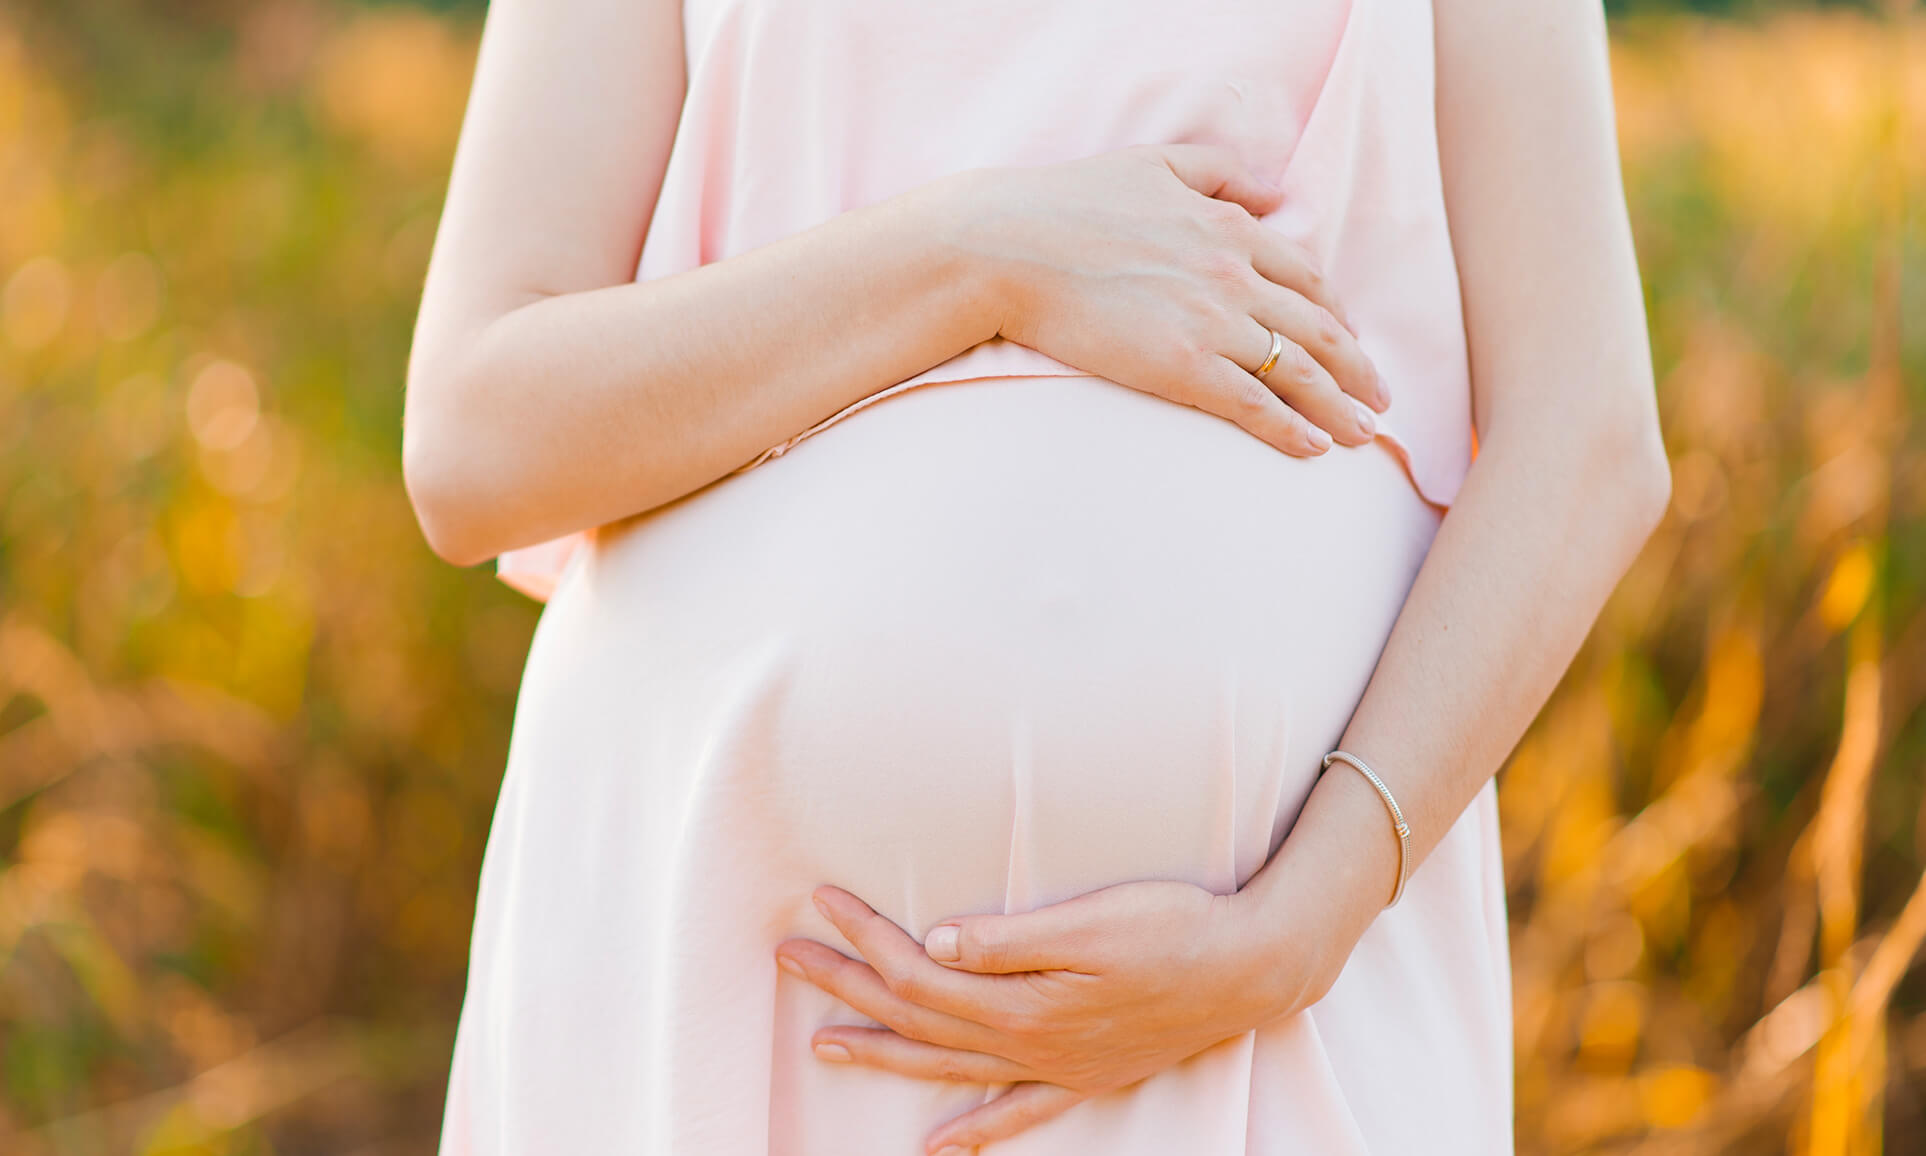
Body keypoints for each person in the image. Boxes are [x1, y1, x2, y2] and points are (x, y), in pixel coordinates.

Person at [402, 0, 1670, 1151]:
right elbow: (475, 438)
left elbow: (1590, 432)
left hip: (1264, 1010)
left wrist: (1297, 931)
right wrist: (986, 254)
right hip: (722, 967)